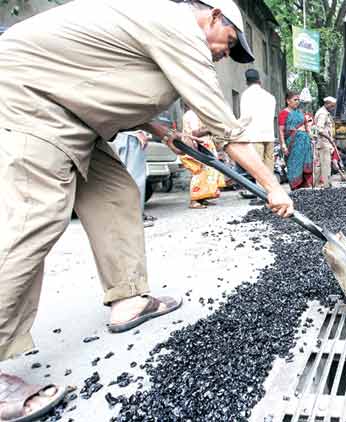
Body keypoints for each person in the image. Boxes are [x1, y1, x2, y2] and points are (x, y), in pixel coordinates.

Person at [0, 0, 294, 418]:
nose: (227, 53)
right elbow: (227, 130)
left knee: (117, 192)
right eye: (230, 42)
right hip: (30, 98)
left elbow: (104, 80)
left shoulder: (161, 27)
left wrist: (158, 128)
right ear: (212, 16)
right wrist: (273, 188)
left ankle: (129, 299)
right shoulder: (180, 29)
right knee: (36, 218)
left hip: (75, 113)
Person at [237, 68, 276, 200]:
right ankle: (271, 193)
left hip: (255, 136)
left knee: (258, 167)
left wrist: (235, 129)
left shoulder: (247, 95)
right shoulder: (270, 97)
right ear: (260, 81)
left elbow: (245, 118)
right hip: (269, 135)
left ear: (246, 82)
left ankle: (261, 196)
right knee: (268, 167)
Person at [181, 107, 226, 208]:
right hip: (199, 147)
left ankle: (202, 199)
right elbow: (195, 133)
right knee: (199, 173)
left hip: (204, 146)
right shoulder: (191, 114)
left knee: (207, 174)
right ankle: (194, 201)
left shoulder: (196, 114)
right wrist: (212, 128)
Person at [111, 130, 156, 227]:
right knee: (134, 179)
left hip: (125, 135)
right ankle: (133, 218)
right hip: (130, 136)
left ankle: (133, 216)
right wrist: (137, 132)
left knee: (129, 177)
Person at [279, 91, 314, 190]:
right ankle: (295, 186)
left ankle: (304, 187)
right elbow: (281, 130)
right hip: (292, 143)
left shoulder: (300, 112)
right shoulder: (284, 113)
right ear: (288, 101)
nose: (297, 102)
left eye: (298, 99)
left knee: (304, 163)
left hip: (304, 142)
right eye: (295, 100)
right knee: (294, 164)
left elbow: (306, 125)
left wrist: (310, 135)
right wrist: (283, 145)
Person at [314, 97, 337, 188]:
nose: (333, 108)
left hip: (323, 143)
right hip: (324, 143)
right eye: (332, 106)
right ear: (327, 104)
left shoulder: (325, 113)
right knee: (325, 166)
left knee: (319, 166)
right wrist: (330, 139)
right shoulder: (323, 114)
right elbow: (320, 130)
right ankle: (326, 186)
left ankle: (317, 186)